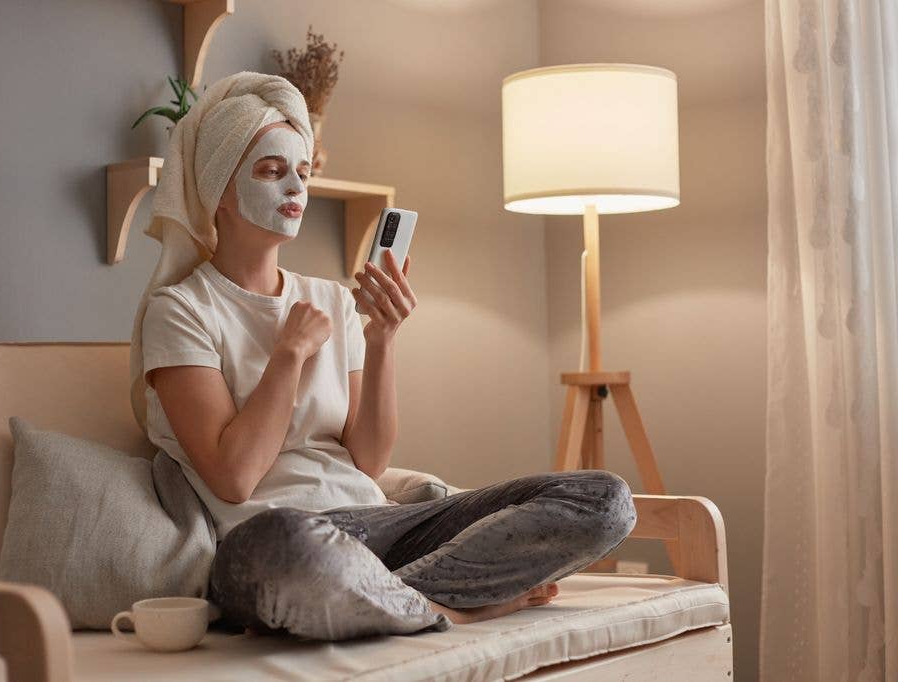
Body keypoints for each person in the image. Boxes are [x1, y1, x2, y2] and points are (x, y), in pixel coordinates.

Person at [133, 72, 637, 641]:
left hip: (381, 527)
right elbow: (234, 478)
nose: (295, 187)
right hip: (276, 544)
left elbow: (369, 462)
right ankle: (457, 606)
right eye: (272, 171)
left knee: (604, 499)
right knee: (284, 547)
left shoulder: (330, 299)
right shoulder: (180, 310)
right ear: (218, 189)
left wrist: (382, 340)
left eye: (303, 172)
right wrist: (289, 354)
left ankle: (397, 600)